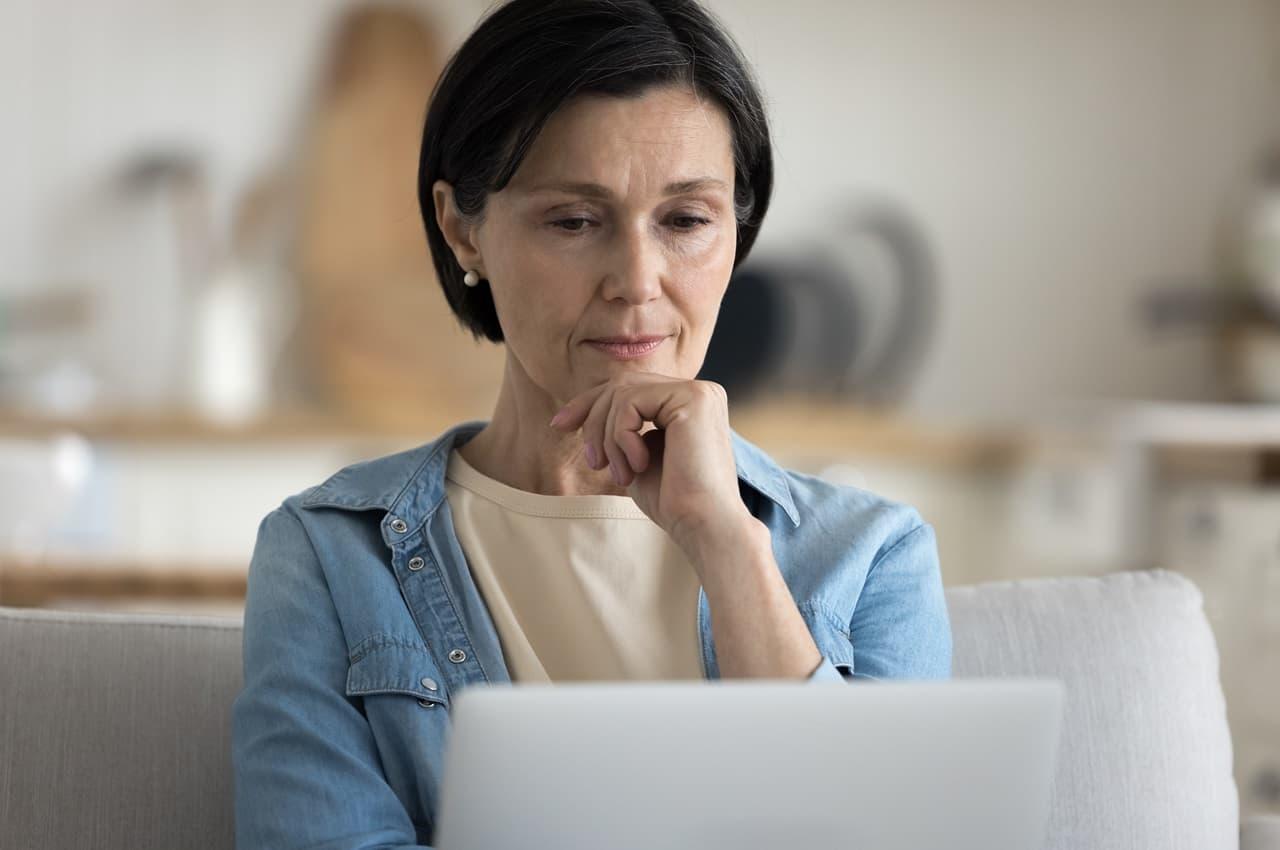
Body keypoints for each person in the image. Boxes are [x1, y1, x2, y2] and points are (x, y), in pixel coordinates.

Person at [230, 1, 952, 847]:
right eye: (574, 221)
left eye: (686, 221)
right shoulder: (330, 556)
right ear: (464, 229)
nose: (638, 281)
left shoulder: (875, 558)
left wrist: (724, 540)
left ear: (737, 231)